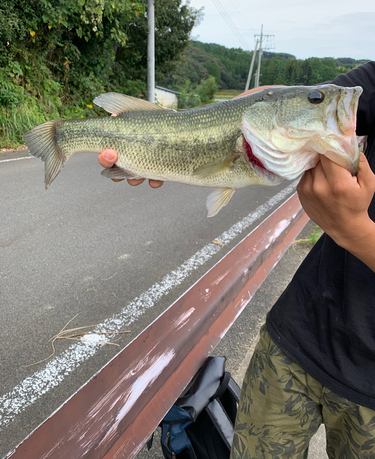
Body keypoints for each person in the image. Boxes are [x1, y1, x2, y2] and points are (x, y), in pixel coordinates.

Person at [98, 61, 375, 458]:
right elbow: (290, 96)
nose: (331, 102)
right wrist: (162, 133)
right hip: (295, 335)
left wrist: (356, 231)